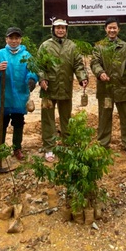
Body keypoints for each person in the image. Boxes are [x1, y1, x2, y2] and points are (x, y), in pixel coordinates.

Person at [37, 19, 88, 162]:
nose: (60, 30)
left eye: (63, 28)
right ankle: (49, 148)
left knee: (66, 118)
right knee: (48, 119)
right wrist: (42, 79)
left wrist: (82, 77)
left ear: (66, 30)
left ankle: (68, 144)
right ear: (53, 29)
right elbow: (39, 65)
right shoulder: (45, 46)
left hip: (65, 87)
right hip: (48, 89)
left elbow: (78, 64)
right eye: (58, 28)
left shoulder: (72, 46)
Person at [0, 27, 39, 165]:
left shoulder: (27, 56)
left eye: (17, 38)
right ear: (6, 39)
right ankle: (0, 150)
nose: (14, 41)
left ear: (20, 40)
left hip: (20, 96)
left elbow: (32, 71)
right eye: (11, 38)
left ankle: (17, 148)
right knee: (1, 124)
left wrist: (32, 80)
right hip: (3, 96)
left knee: (18, 123)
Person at [90, 17, 126, 157]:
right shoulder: (99, 46)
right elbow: (94, 63)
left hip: (122, 87)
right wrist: (100, 73)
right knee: (104, 118)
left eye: (114, 27)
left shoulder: (125, 46)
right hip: (106, 89)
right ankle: (103, 144)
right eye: (109, 27)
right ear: (105, 29)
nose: (112, 30)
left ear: (118, 29)